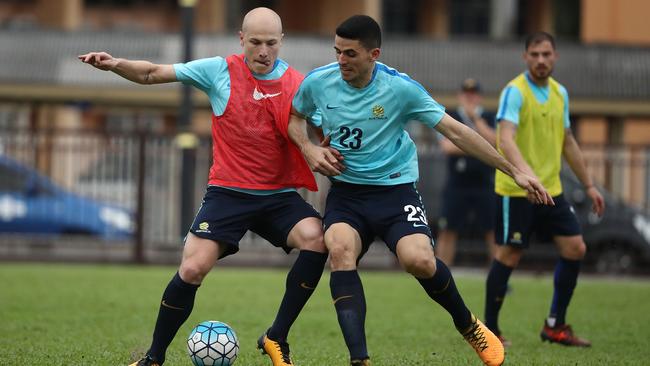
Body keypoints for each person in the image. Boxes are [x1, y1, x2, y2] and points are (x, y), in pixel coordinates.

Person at [288, 15, 553, 366]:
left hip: (395, 192)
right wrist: (309, 148)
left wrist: (515, 171)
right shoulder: (319, 82)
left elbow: (456, 132)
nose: (341, 61)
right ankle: (359, 360)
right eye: (337, 51)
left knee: (420, 260)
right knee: (338, 249)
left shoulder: (401, 89)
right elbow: (294, 115)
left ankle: (468, 324)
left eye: (350, 54)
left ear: (374, 54)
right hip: (347, 194)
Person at [79, 7, 328, 366]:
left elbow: (326, 127)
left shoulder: (299, 85)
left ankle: (276, 337)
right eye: (255, 42)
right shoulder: (219, 70)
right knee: (193, 268)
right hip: (228, 192)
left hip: (278, 196)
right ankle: (153, 357)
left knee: (317, 240)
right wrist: (114, 63)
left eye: (271, 43)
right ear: (241, 38)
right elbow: (151, 73)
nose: (263, 51)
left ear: (282, 42)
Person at [484, 31, 605, 348]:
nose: (541, 60)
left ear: (555, 57)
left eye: (546, 54)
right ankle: (489, 332)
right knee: (509, 254)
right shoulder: (515, 92)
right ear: (525, 57)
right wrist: (526, 175)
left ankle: (555, 326)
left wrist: (590, 186)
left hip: (552, 189)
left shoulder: (560, 93)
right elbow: (505, 138)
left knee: (575, 248)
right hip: (517, 190)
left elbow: (568, 141)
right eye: (535, 54)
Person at [436, 78, 498, 266]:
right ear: (459, 96)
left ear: (479, 97)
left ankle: (498, 276)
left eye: (473, 94)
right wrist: (479, 146)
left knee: (492, 232)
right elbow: (447, 147)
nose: (469, 97)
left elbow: (494, 143)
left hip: (484, 183)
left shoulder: (488, 116)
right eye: (466, 94)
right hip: (457, 184)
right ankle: (439, 276)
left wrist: (475, 119)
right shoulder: (450, 115)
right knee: (447, 230)